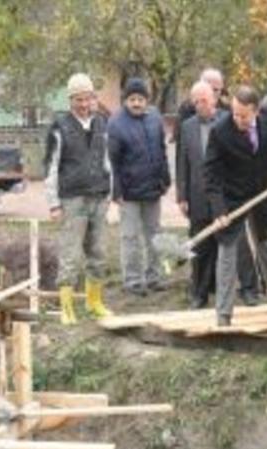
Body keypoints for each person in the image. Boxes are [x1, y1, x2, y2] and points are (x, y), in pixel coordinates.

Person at [204, 86, 267, 326]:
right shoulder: (220, 132)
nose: (238, 119)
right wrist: (219, 211)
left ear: (256, 111)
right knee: (227, 253)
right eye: (235, 114)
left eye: (244, 115)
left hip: (263, 193)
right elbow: (211, 175)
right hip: (232, 198)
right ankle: (223, 315)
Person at [43, 73, 113, 324]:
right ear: (70, 100)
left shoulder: (102, 123)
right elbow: (50, 167)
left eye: (87, 98)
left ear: (93, 98)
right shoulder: (59, 127)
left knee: (99, 251)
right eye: (78, 100)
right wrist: (53, 204)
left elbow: (107, 161)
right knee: (70, 254)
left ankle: (94, 302)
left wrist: (110, 193)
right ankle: (67, 307)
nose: (83, 105)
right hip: (72, 200)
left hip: (98, 196)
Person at [107, 78, 170, 297]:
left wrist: (165, 179)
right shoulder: (115, 123)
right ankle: (133, 281)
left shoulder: (154, 118)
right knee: (130, 237)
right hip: (129, 193)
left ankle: (155, 277)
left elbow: (161, 150)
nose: (136, 103)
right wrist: (116, 191)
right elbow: (112, 161)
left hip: (153, 188)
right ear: (126, 100)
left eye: (140, 99)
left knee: (155, 234)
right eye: (132, 99)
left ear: (147, 100)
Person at [175, 81, 227, 309]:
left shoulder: (227, 121)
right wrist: (182, 195)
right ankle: (199, 294)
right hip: (197, 196)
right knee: (199, 246)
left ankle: (224, 291)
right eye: (195, 101)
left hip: (223, 196)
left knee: (224, 246)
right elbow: (181, 162)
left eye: (203, 100)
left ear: (214, 99)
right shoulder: (187, 127)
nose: (199, 105)